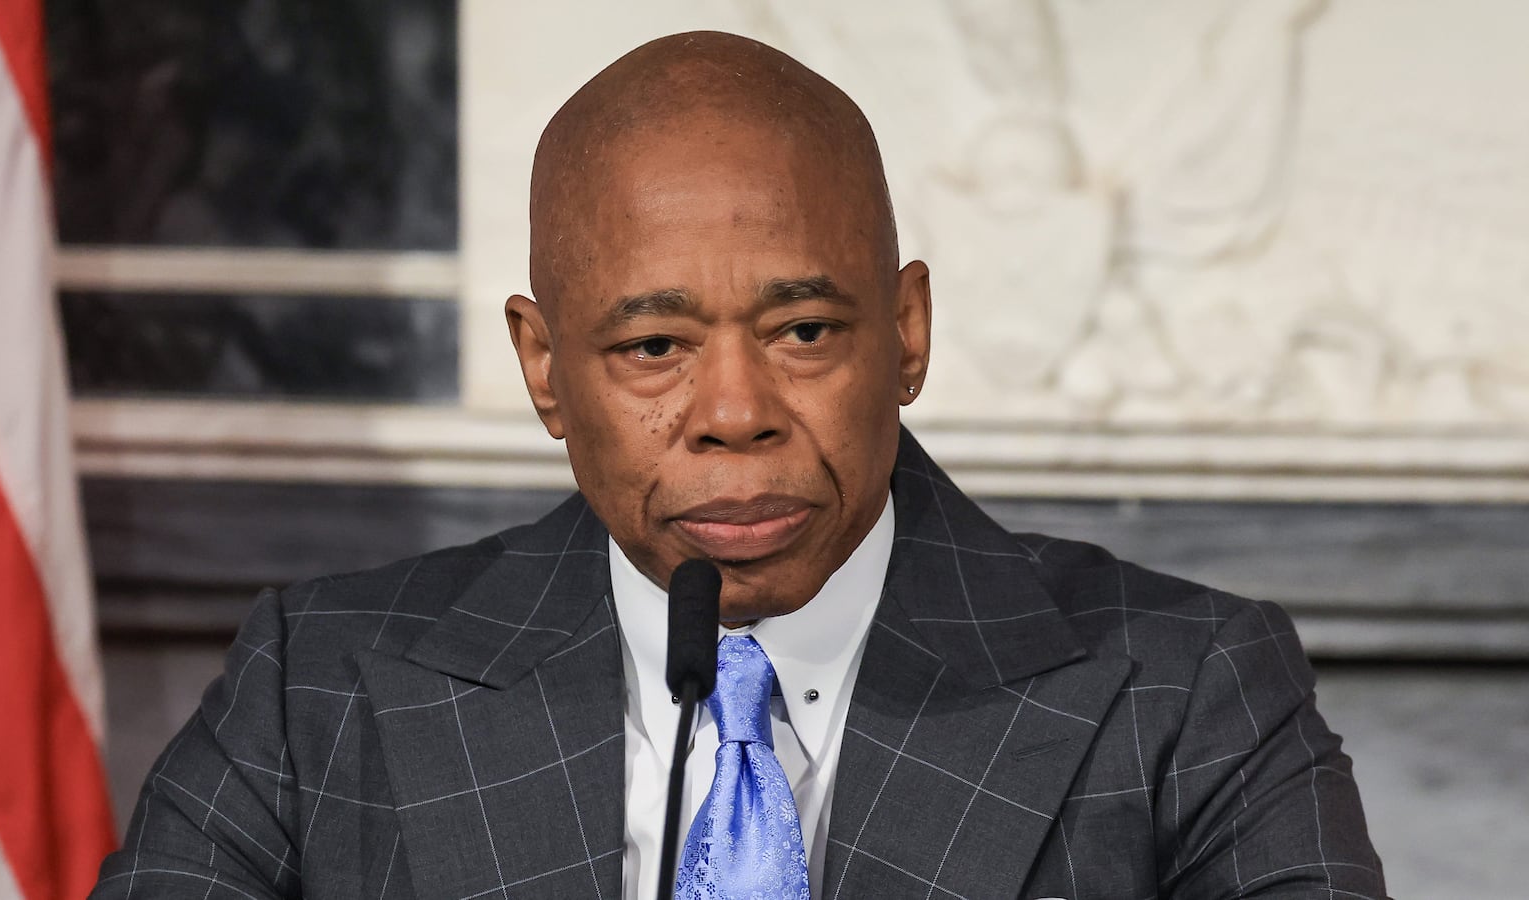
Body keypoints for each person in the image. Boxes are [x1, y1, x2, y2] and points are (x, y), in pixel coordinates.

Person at [92, 31, 1385, 899]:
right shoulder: (320, 691)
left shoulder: (1188, 690)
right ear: (547, 371)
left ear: (910, 334)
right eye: (653, 346)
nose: (734, 412)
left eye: (805, 332)